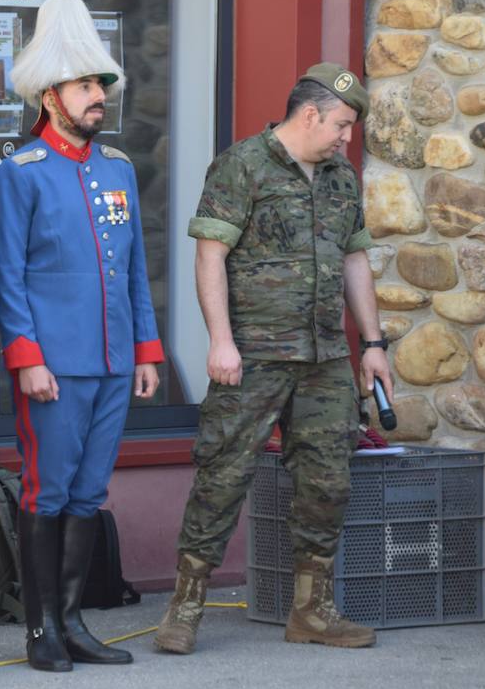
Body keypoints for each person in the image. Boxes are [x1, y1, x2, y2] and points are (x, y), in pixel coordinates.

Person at [154, 63, 388, 654]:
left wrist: (374, 344)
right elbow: (210, 257)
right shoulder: (242, 165)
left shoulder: (341, 176)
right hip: (253, 354)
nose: (345, 138)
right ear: (309, 115)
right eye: (341, 125)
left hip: (325, 358)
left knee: (327, 481)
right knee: (223, 476)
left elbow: (355, 259)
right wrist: (220, 340)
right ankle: (184, 609)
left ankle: (312, 611)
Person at [0, 0, 163, 673]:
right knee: (48, 492)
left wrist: (146, 348)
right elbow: (5, 277)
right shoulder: (21, 172)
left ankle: (72, 619)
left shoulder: (118, 169)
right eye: (87, 85)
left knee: (90, 493)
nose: (99, 96)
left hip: (115, 362)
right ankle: (40, 631)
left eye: (101, 84)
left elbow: (135, 270)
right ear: (52, 96)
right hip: (54, 368)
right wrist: (26, 359)